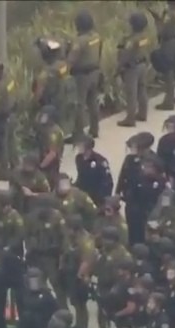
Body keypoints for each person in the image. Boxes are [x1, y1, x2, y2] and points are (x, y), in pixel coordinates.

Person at [68, 11, 103, 140]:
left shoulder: (80, 41)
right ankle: (94, 130)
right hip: (95, 72)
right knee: (93, 102)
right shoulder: (96, 36)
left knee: (80, 104)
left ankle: (78, 133)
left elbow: (71, 60)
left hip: (82, 75)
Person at [117, 12, 152, 127]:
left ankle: (130, 119)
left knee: (131, 93)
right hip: (142, 65)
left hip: (132, 68)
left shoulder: (132, 40)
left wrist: (119, 66)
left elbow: (126, 54)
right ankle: (143, 113)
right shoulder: (145, 36)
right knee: (142, 90)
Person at [74, 137, 113, 205]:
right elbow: (80, 176)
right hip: (83, 194)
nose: (78, 147)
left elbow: (107, 182)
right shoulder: (79, 158)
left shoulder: (100, 161)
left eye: (80, 146)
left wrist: (102, 199)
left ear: (88, 147)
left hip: (96, 194)